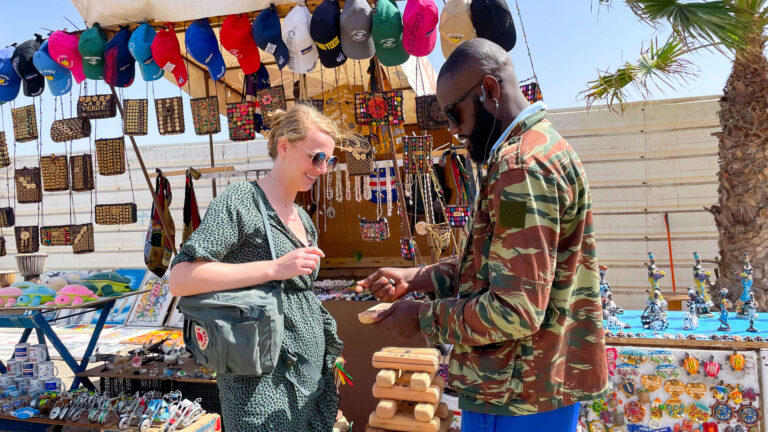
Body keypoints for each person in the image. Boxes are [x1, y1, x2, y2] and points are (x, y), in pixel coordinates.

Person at [357, 38, 610, 431]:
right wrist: (419, 277)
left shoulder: (520, 169)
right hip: (533, 386)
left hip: (516, 394)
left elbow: (515, 310)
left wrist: (424, 318)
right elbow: (500, 265)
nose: (454, 130)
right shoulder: (538, 149)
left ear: (490, 91)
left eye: (454, 114)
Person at [170, 104, 348, 431]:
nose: (323, 169)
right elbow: (181, 279)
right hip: (257, 384)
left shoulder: (304, 220)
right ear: (284, 147)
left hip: (307, 379)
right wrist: (273, 268)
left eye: (329, 161)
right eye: (317, 157)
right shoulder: (241, 200)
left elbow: (300, 300)